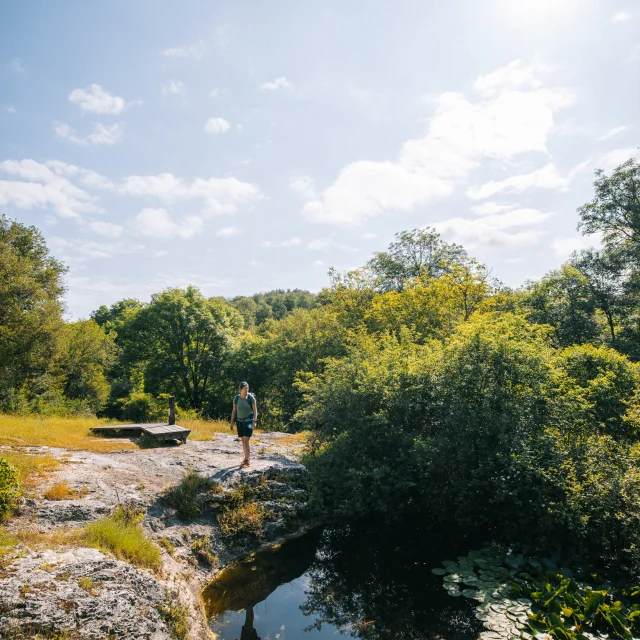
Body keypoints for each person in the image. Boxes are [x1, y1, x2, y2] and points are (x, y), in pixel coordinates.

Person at [230, 381, 258, 468]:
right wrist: (232, 422)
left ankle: (247, 460)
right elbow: (234, 411)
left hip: (248, 420)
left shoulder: (251, 398)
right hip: (239, 421)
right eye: (245, 389)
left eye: (247, 389)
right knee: (242, 440)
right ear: (240, 389)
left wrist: (254, 421)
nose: (246, 391)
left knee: (246, 440)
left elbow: (255, 410)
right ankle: (246, 458)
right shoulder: (236, 398)